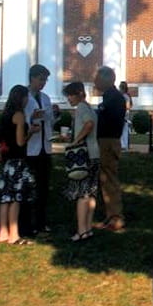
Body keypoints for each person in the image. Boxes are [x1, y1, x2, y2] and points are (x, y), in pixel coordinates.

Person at [22, 64, 58, 236]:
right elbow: (19, 120)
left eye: (45, 80)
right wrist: (31, 118)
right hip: (30, 148)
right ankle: (28, 223)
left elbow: (49, 121)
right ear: (32, 78)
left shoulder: (45, 98)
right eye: (41, 79)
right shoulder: (24, 97)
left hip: (45, 147)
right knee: (28, 187)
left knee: (43, 187)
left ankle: (41, 222)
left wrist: (54, 114)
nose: (43, 83)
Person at [0, 84, 36, 245]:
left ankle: (3, 232)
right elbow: (20, 142)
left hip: (6, 161)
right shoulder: (19, 115)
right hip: (17, 160)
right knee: (16, 198)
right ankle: (14, 234)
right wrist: (30, 132)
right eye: (26, 97)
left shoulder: (6, 114)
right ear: (22, 98)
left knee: (5, 197)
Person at [61, 82, 100, 241]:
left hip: (84, 155)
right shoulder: (89, 108)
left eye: (70, 95)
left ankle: (81, 230)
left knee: (82, 194)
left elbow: (89, 124)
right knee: (91, 193)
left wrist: (76, 140)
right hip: (94, 154)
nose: (69, 99)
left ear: (78, 94)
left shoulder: (82, 108)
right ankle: (88, 228)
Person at [93, 66, 126, 232]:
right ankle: (110, 215)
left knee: (109, 179)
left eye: (97, 79)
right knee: (105, 180)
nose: (95, 83)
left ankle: (116, 218)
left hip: (108, 142)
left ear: (106, 80)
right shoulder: (111, 96)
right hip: (107, 141)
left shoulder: (113, 98)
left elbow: (104, 118)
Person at [119, 81, 133, 150]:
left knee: (123, 131)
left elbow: (127, 106)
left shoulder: (124, 96)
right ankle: (125, 145)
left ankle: (123, 145)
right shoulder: (127, 96)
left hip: (123, 115)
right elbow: (129, 106)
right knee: (125, 131)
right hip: (124, 115)